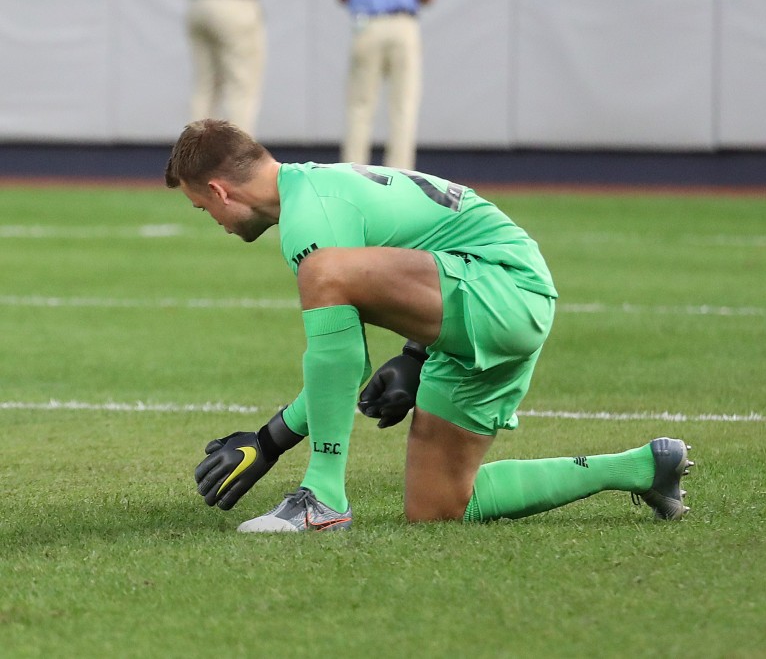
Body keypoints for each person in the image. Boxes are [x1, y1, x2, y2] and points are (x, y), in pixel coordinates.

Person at [166, 119, 694, 532]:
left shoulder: (311, 218)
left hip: (502, 289)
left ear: (220, 190)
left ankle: (322, 499)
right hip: (492, 304)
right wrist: (416, 356)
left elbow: (347, 366)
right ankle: (641, 468)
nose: (211, 220)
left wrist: (270, 440)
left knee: (323, 272)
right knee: (439, 506)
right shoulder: (313, 187)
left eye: (201, 207)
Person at [176, 0, 315, 135]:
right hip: (234, 2)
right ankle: (237, 164)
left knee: (204, 88)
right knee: (241, 89)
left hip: (199, 0)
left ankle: (190, 161)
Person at [337, 0, 436, 170]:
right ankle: (401, 175)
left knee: (360, 106)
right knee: (404, 106)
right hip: (403, 24)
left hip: (367, 25)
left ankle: (353, 174)